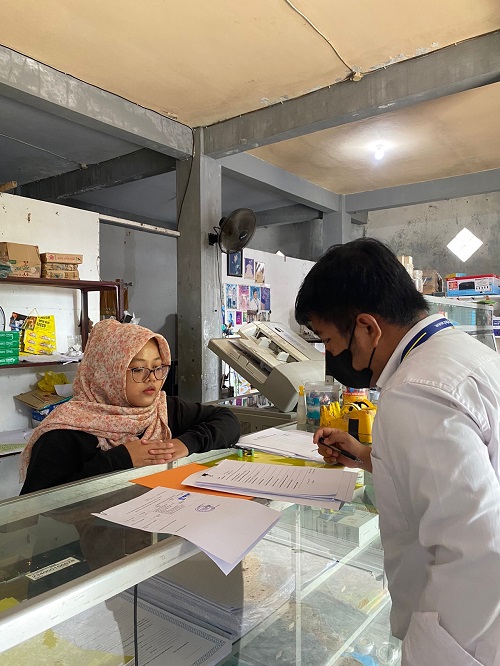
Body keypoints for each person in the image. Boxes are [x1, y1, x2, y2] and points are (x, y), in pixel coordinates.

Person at [295, 237, 500, 665]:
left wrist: (430, 653)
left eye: (330, 341)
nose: (332, 355)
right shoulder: (462, 355)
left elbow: (476, 550)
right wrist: (367, 456)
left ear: (367, 328)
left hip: (465, 643)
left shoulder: (416, 393)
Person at [20, 319, 240, 494]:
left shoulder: (161, 410)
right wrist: (122, 459)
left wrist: (185, 444)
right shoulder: (64, 432)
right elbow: (40, 505)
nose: (152, 378)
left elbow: (227, 420)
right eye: (137, 369)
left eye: (157, 367)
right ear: (107, 374)